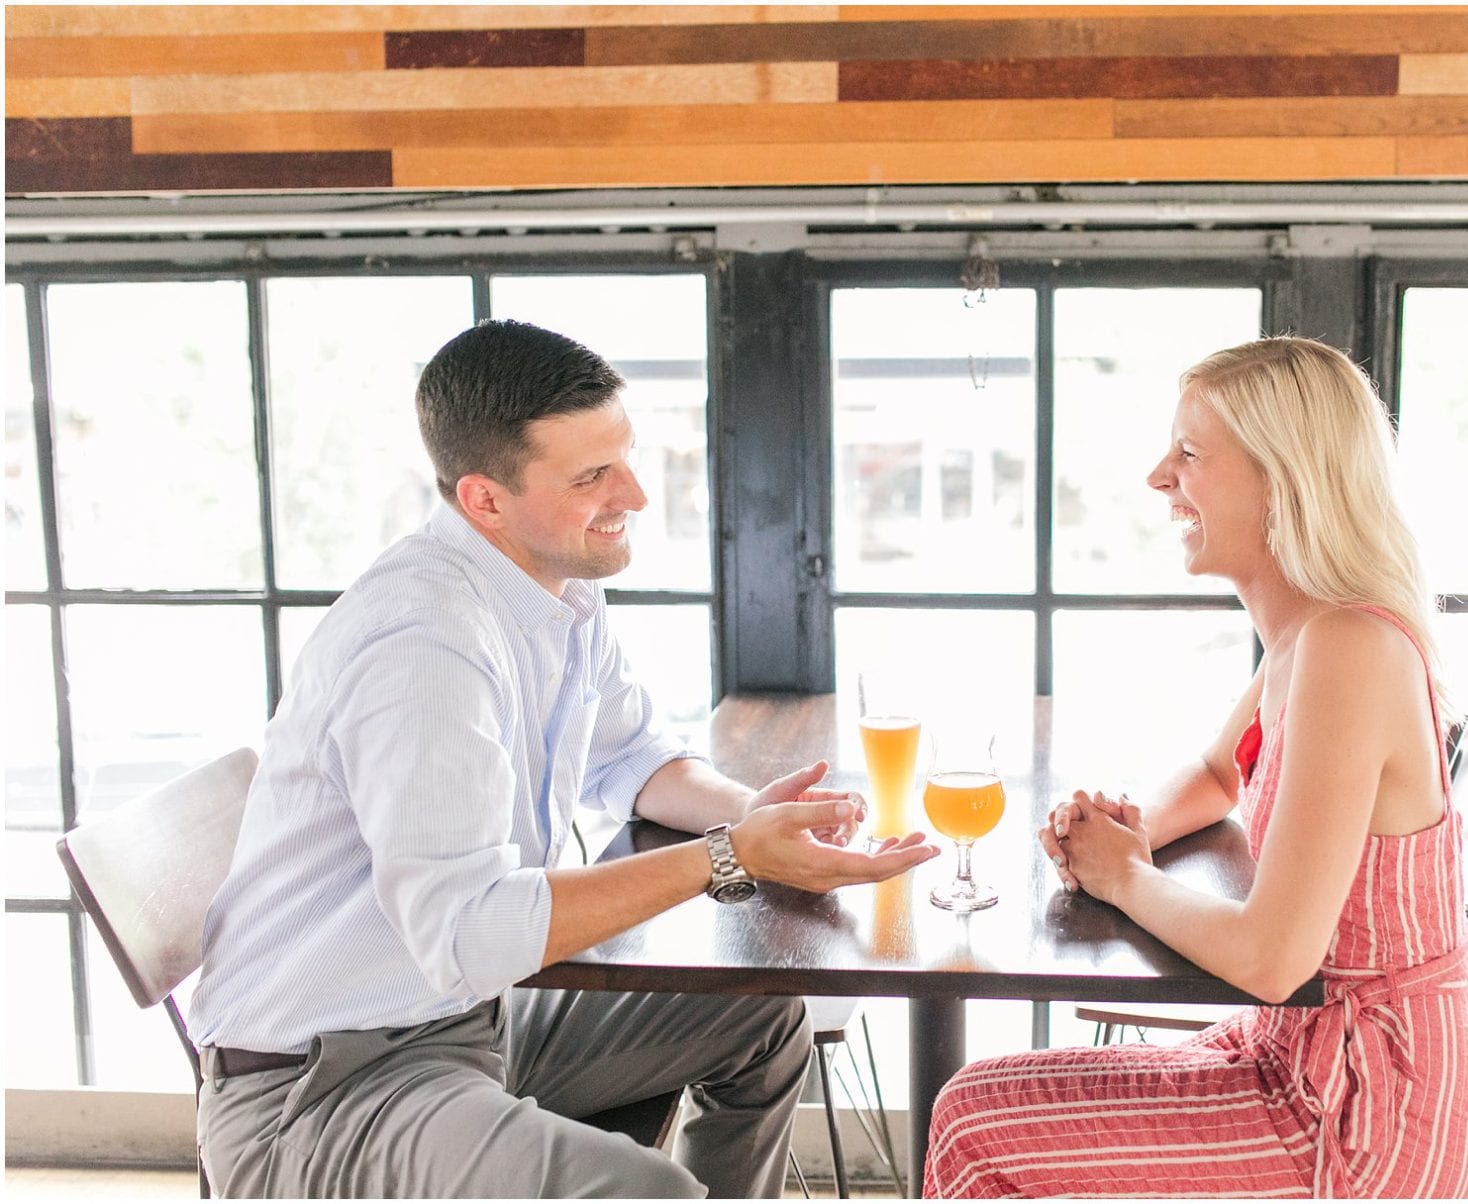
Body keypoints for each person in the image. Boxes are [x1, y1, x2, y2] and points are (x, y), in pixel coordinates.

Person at [188, 318, 939, 1199]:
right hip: (323, 1091)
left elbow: (635, 759)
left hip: (463, 1019)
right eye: (592, 477)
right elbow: (468, 932)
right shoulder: (423, 644)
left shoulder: (558, 583)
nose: (635, 494)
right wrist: (730, 859)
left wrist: (751, 816)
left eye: (624, 457)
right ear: (485, 500)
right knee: (650, 1192)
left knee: (763, 1016)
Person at [922, 336, 1468, 1199]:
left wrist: (1123, 877)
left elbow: (1269, 956)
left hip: (1360, 1119)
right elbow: (1222, 773)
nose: (1158, 477)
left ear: (1283, 476)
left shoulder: (1350, 647)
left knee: (976, 1122)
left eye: (1188, 453)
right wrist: (1129, 828)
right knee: (978, 1105)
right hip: (1292, 1055)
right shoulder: (1310, 635)